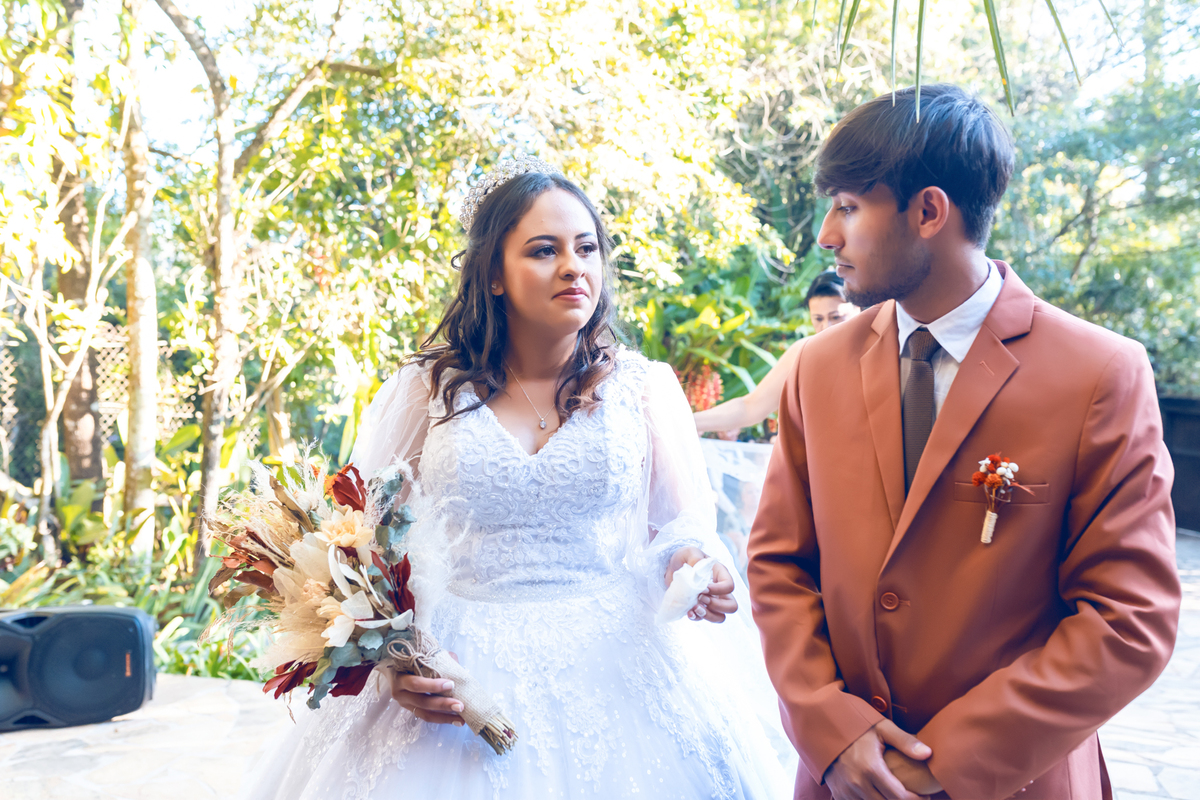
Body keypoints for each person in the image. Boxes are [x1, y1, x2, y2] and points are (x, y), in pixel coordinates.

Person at [243, 156, 794, 800]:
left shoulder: (645, 389)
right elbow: (360, 548)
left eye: (586, 248)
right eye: (543, 250)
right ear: (493, 275)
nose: (574, 266)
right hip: (458, 665)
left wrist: (694, 566)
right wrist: (394, 663)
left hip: (620, 662)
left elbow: (679, 527)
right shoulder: (426, 390)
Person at [748, 84, 1180, 800]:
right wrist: (830, 726)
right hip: (845, 778)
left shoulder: (1100, 372)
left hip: (1017, 780)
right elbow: (778, 564)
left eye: (848, 207)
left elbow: (1128, 619)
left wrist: (945, 760)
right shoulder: (816, 368)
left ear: (928, 212)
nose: (826, 235)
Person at [693, 272, 858, 435]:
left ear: (858, 308)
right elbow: (751, 407)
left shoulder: (872, 353)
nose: (826, 327)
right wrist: (687, 422)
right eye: (818, 319)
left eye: (836, 317)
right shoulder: (803, 353)